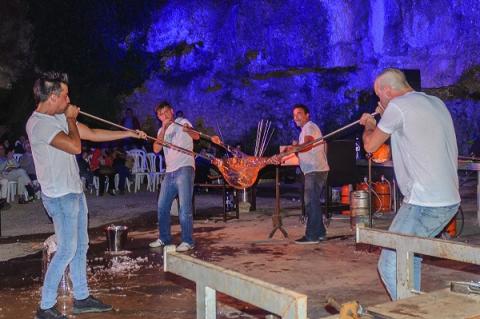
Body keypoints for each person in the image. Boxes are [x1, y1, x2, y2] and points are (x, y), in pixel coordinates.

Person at [26, 71, 147, 319]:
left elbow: (90, 133)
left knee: (80, 247)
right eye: (65, 96)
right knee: (67, 249)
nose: (69, 101)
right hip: (59, 197)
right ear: (52, 97)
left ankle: (81, 298)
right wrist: (71, 120)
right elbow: (75, 145)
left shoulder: (58, 116)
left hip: (74, 192)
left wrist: (128, 133)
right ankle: (45, 306)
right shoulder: (38, 124)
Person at [359, 68, 460, 300]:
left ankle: (411, 313)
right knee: (409, 258)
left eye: (378, 95)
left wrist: (370, 123)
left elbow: (371, 147)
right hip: (449, 201)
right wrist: (386, 116)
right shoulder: (435, 102)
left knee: (390, 264)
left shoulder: (397, 106)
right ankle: (414, 305)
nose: (378, 101)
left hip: (425, 202)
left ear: (386, 90)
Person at [149, 101, 199, 252]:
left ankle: (188, 241)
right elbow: (156, 149)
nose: (163, 116)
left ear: (172, 111)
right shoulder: (161, 131)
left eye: (165, 112)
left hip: (184, 167)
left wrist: (188, 130)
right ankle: (164, 238)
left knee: (184, 207)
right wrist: (164, 129)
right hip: (169, 171)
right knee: (162, 206)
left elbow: (196, 136)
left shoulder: (182, 122)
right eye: (160, 114)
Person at [284, 104, 329, 244]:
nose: (296, 117)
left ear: (307, 115)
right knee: (313, 202)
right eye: (294, 114)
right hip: (314, 169)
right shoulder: (306, 129)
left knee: (310, 203)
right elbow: (305, 148)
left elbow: (308, 145)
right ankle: (320, 233)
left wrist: (294, 148)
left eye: (299, 113)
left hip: (315, 170)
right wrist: (296, 148)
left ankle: (311, 236)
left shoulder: (309, 126)